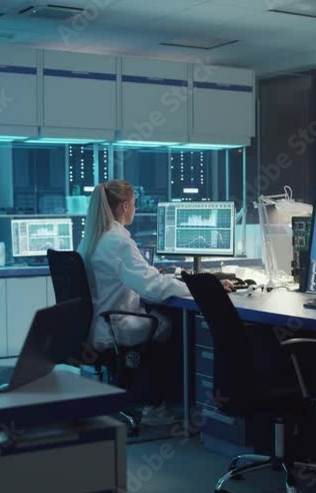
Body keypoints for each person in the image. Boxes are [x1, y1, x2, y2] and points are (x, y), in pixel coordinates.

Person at [78, 180, 230, 425]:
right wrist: (197, 287)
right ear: (126, 206)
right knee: (167, 326)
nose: (134, 210)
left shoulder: (92, 239)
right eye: (134, 205)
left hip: (96, 322)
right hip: (115, 325)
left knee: (161, 320)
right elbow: (154, 287)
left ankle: (149, 397)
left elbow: (140, 279)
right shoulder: (118, 242)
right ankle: (153, 406)